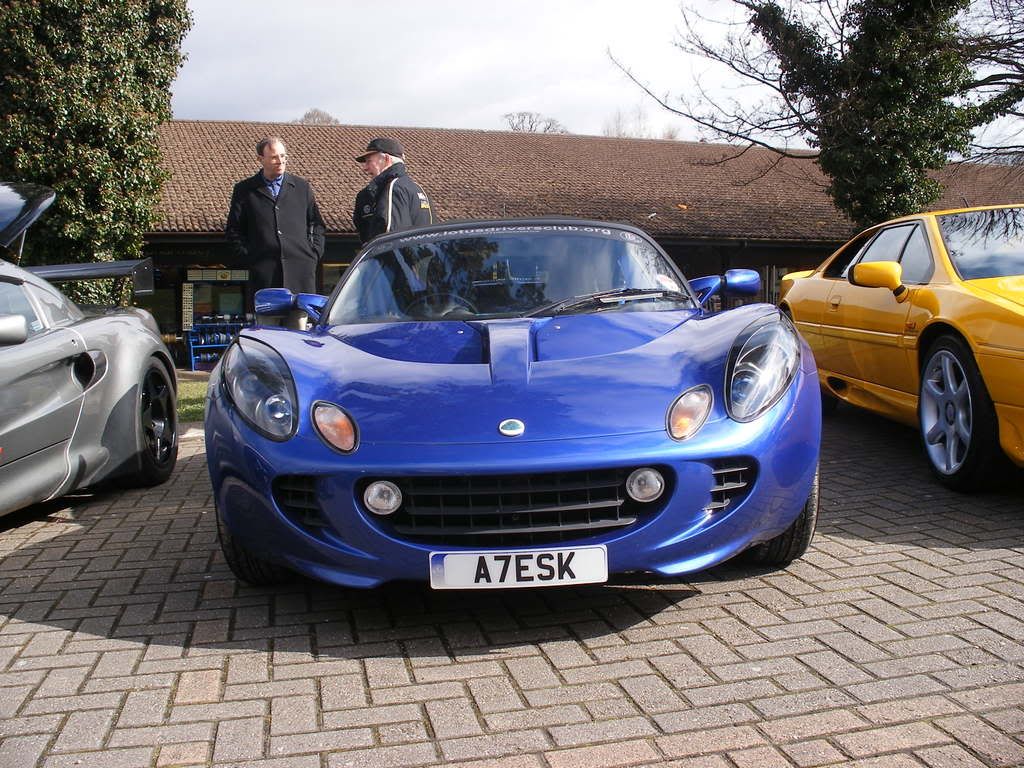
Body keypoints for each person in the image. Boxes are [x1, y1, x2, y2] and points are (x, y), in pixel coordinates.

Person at [226, 136, 326, 295]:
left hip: (300, 275)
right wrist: (250, 259)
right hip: (264, 276)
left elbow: (316, 224)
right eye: (274, 157)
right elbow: (234, 230)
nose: (280, 161)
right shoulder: (244, 190)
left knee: (298, 320)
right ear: (260, 159)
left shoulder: (302, 187)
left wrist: (313, 253)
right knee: (267, 321)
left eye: (283, 156)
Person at [353, 137, 434, 244]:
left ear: (386, 159)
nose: (365, 168)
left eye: (369, 161)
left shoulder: (393, 189)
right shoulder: (419, 190)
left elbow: (390, 239)